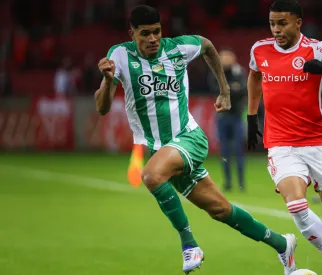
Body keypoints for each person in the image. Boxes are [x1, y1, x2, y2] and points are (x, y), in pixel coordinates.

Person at [94, 5, 297, 275]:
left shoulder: (178, 47)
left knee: (151, 176)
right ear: (132, 33)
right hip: (161, 149)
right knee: (221, 209)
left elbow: (208, 46)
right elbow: (102, 108)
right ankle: (282, 244)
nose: (153, 38)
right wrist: (108, 82)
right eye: (145, 34)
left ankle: (189, 244)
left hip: (189, 137)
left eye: (157, 32)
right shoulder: (119, 56)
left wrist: (224, 90)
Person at [247, 1, 322, 275]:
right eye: (272, 24)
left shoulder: (317, 49)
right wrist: (252, 117)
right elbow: (254, 77)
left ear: (298, 22)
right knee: (296, 204)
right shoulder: (260, 49)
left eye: (282, 23)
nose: (276, 30)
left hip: (318, 141)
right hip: (280, 144)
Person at [207, 48, 248, 192]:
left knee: (238, 150)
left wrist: (226, 89)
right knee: (224, 151)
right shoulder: (216, 73)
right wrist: (232, 88)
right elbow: (214, 89)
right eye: (222, 58)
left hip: (236, 116)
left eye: (227, 58)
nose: (225, 61)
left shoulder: (239, 72)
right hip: (223, 117)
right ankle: (228, 182)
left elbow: (243, 90)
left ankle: (241, 182)